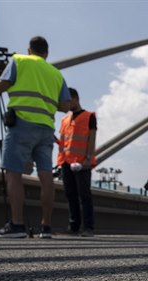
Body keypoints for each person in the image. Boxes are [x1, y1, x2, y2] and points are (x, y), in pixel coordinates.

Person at [0, 36, 71, 239]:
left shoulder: (18, 60)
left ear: (29, 50)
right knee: (46, 177)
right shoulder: (56, 73)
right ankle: (46, 227)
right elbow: (66, 106)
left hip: (21, 124)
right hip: (46, 129)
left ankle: (17, 225)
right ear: (46, 53)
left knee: (13, 173)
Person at [56, 88, 97, 237]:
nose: (65, 104)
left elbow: (91, 139)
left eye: (67, 100)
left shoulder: (89, 116)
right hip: (66, 162)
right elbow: (63, 141)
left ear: (75, 99)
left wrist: (88, 159)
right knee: (70, 194)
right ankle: (74, 226)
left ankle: (88, 227)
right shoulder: (65, 119)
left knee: (84, 194)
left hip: (81, 162)